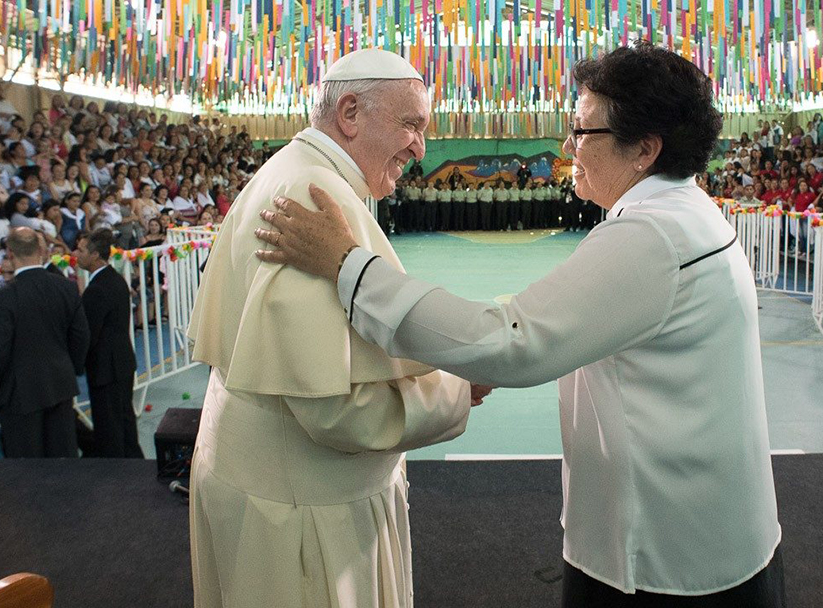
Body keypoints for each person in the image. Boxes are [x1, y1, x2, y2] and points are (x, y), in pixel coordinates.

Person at [257, 43, 784, 607]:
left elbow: (512, 342)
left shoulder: (651, 236)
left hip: (663, 559)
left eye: (583, 133)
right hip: (709, 530)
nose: (567, 147)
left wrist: (349, 268)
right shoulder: (687, 214)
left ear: (644, 150)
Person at [186, 49, 480, 608]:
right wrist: (458, 391)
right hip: (301, 516)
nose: (421, 147)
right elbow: (330, 409)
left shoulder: (297, 170)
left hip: (277, 489)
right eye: (411, 125)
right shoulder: (313, 196)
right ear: (350, 112)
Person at [0, 228, 89, 457]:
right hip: (60, 385)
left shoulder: (1, 299)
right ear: (41, 249)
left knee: (26, 471)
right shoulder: (66, 287)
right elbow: (81, 335)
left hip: (20, 395)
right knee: (65, 463)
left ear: (9, 253)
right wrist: (70, 367)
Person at [75, 229, 143, 458]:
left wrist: (75, 363)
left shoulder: (96, 289)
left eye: (82, 250)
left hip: (106, 369)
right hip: (121, 363)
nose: (77, 254)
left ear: (95, 255)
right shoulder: (114, 279)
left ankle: (118, 478)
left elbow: (88, 334)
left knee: (110, 429)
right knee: (124, 423)